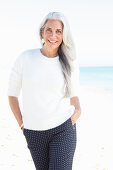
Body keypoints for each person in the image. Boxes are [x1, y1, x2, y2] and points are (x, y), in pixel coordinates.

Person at [7, 11, 82, 170]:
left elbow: (74, 97)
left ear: (63, 35)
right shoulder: (25, 58)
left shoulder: (70, 63)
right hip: (34, 133)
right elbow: (12, 93)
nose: (53, 35)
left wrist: (76, 115)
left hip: (63, 129)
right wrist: (21, 123)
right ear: (42, 32)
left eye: (58, 31)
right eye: (49, 30)